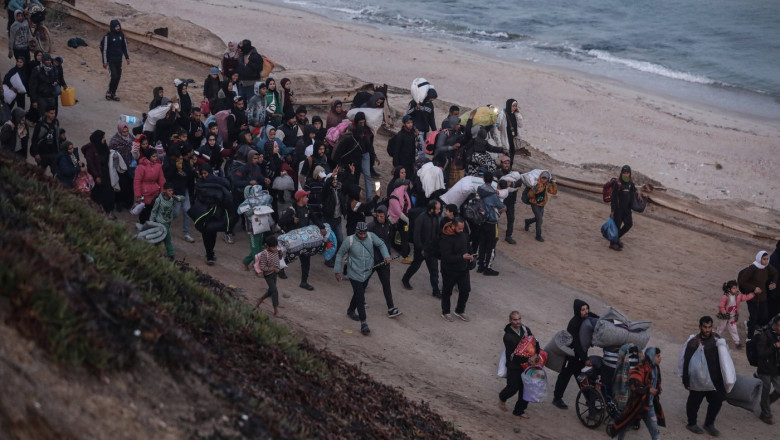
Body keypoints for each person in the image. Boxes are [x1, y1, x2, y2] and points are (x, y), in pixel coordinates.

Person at [334, 221, 392, 335]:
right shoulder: (349, 240)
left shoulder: (371, 236)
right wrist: (337, 271)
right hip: (354, 273)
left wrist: (386, 255)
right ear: (356, 232)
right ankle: (364, 323)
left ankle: (350, 310)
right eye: (360, 234)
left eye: (364, 233)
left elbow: (381, 244)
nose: (363, 236)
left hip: (367, 272)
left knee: (358, 293)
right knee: (360, 296)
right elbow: (340, 254)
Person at [608, 347, 665, 440]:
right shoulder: (641, 367)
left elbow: (657, 384)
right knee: (624, 427)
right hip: (636, 405)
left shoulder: (655, 369)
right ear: (651, 357)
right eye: (658, 356)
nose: (660, 358)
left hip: (648, 406)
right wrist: (648, 389)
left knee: (655, 433)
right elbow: (633, 383)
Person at [681, 316, 725, 436]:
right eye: (705, 327)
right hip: (699, 379)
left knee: (717, 401)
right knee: (694, 402)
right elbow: (687, 362)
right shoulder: (694, 343)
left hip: (715, 378)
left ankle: (709, 424)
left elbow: (724, 357)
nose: (707, 329)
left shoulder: (716, 338)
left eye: (709, 327)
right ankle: (691, 423)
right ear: (700, 327)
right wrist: (686, 381)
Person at [552, 299, 599, 409]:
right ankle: (557, 399)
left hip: (581, 356)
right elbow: (576, 343)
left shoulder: (587, 316)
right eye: (583, 310)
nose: (586, 311)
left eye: (587, 309)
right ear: (578, 311)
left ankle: (589, 401)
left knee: (582, 377)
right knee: (564, 377)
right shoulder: (573, 323)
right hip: (571, 356)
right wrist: (585, 358)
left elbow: (598, 319)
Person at [278, 189, 327, 291]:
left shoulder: (307, 208)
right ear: (300, 198)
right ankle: (280, 268)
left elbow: (315, 218)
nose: (307, 198)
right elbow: (281, 222)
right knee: (292, 256)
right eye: (306, 197)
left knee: (306, 260)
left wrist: (322, 227)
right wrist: (292, 220)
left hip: (305, 240)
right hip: (294, 241)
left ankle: (304, 282)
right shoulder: (292, 210)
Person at [498, 311, 541, 418]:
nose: (518, 322)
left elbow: (535, 342)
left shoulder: (525, 329)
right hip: (514, 366)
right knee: (513, 388)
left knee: (526, 388)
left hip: (527, 365)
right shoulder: (508, 336)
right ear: (510, 321)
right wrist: (529, 359)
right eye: (515, 320)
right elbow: (514, 355)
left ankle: (519, 411)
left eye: (519, 319)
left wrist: (536, 354)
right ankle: (502, 397)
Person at [367, 206, 403, 318]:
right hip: (372, 260)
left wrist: (388, 254)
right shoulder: (371, 227)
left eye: (381, 216)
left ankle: (391, 308)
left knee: (386, 284)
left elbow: (389, 241)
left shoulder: (389, 225)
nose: (379, 218)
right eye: (377, 216)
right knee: (363, 281)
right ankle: (358, 301)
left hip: (384, 261)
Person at [193, 164, 232, 265]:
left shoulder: (218, 182)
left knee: (213, 234)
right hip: (204, 213)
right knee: (206, 234)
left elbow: (225, 192)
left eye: (206, 173)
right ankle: (209, 254)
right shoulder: (200, 184)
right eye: (203, 174)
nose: (205, 176)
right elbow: (199, 196)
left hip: (215, 213)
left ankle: (210, 252)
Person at [402, 199, 441, 297]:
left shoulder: (436, 218)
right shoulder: (421, 218)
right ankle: (405, 279)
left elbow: (437, 232)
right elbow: (416, 235)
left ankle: (435, 291)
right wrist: (421, 248)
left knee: (434, 270)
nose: (439, 211)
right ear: (432, 209)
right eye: (437, 209)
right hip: (421, 249)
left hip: (432, 249)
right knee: (415, 265)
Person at [439, 217, 473, 322]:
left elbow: (469, 248)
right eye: (459, 228)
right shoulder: (445, 238)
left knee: (466, 289)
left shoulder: (464, 236)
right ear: (453, 226)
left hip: (463, 268)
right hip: (449, 270)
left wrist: (471, 256)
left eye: (462, 228)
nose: (461, 231)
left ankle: (459, 310)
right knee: (447, 291)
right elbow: (446, 257)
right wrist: (462, 257)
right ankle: (445, 312)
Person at [739, 250, 778, 339]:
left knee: (764, 316)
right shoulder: (752, 268)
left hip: (762, 296)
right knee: (754, 317)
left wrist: (773, 283)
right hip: (752, 297)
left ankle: (748, 324)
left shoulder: (767, 267)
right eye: (764, 259)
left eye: (767, 259)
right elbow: (742, 281)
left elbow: (775, 273)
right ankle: (750, 338)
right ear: (759, 259)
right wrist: (753, 288)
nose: (766, 261)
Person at [82, 130, 115, 218]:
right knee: (97, 194)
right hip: (97, 175)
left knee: (108, 193)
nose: (104, 139)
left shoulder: (103, 146)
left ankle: (108, 211)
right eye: (103, 137)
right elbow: (91, 164)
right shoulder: (91, 149)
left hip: (106, 174)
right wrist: (97, 176)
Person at [476, 172, 504, 276]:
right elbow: (500, 205)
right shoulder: (492, 194)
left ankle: (480, 266)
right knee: (491, 245)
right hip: (492, 222)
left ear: (483, 179)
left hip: (482, 220)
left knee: (482, 244)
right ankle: (488, 267)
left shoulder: (480, 189)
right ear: (492, 180)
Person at [755, 314, 780, 425]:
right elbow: (760, 354)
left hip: (776, 369)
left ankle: (765, 404)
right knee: (765, 391)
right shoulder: (764, 335)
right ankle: (766, 414)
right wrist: (774, 347)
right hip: (765, 369)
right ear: (775, 325)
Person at [609, 165, 639, 251]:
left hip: (627, 209)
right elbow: (613, 198)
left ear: (630, 174)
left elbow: (634, 191)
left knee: (629, 224)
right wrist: (612, 211)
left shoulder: (630, 183)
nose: (626, 175)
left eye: (627, 173)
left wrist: (639, 194)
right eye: (624, 173)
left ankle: (616, 238)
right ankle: (612, 244)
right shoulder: (617, 183)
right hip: (618, 209)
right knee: (616, 226)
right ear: (621, 173)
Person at [716, 280, 754, 348]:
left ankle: (737, 343)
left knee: (734, 329)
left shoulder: (738, 295)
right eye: (734, 288)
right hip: (724, 316)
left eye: (736, 288)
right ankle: (714, 339)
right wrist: (724, 313)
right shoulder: (725, 296)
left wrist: (753, 294)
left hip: (732, 316)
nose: (736, 289)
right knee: (721, 328)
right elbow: (721, 306)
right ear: (729, 289)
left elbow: (745, 297)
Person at [150, 182, 181, 260]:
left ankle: (153, 252)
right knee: (167, 237)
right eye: (169, 191)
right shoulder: (159, 200)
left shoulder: (172, 199)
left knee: (159, 238)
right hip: (161, 222)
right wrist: (151, 222)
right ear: (164, 190)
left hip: (168, 221)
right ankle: (171, 254)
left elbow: (182, 199)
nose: (171, 192)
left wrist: (178, 198)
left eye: (172, 191)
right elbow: (154, 211)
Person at [133, 149, 166, 224]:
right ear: (149, 157)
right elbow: (137, 181)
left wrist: (162, 193)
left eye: (156, 156)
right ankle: (142, 224)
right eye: (153, 156)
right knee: (144, 211)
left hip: (155, 192)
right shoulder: (141, 167)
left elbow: (161, 180)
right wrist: (138, 195)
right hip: (144, 193)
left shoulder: (158, 166)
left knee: (154, 211)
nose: (156, 158)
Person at [524, 170, 558, 243]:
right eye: (542, 178)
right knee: (539, 220)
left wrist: (553, 184)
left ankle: (528, 221)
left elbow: (553, 192)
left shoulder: (546, 185)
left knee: (538, 218)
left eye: (545, 178)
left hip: (542, 205)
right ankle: (538, 236)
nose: (543, 179)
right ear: (540, 177)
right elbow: (529, 195)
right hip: (535, 204)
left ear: (547, 179)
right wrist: (533, 190)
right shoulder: (536, 185)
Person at [100, 19, 130, 101]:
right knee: (114, 76)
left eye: (118, 26)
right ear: (113, 27)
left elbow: (124, 47)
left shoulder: (121, 35)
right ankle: (109, 91)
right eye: (116, 26)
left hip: (119, 60)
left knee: (118, 77)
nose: (118, 28)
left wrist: (127, 57)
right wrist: (105, 62)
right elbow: (104, 50)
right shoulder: (108, 37)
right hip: (111, 60)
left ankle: (113, 93)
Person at [494, 156, 521, 244]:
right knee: (496, 217)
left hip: (511, 201)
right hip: (500, 200)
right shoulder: (497, 173)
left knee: (511, 218)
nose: (507, 165)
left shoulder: (514, 174)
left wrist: (511, 184)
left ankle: (508, 236)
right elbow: (494, 184)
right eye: (505, 163)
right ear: (501, 164)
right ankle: (494, 234)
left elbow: (519, 182)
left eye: (508, 163)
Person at [254, 235, 283, 317]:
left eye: (276, 247)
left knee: (271, 291)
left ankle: (260, 300)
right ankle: (276, 311)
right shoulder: (264, 254)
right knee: (275, 291)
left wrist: (280, 255)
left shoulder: (276, 251)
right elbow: (263, 267)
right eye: (273, 247)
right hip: (268, 276)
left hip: (274, 274)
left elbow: (278, 259)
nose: (275, 249)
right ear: (268, 247)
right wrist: (273, 269)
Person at [30, 106, 59, 175]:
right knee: (40, 173)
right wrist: (36, 153)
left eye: (54, 113)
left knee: (56, 173)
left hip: (53, 153)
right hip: (42, 154)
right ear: (46, 113)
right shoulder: (40, 125)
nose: (53, 115)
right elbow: (34, 139)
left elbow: (56, 137)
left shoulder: (56, 122)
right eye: (51, 113)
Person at [495, 99, 523, 167]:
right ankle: (504, 169)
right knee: (506, 155)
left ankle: (509, 167)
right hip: (506, 138)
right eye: (513, 106)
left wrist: (518, 114)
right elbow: (498, 126)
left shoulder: (514, 114)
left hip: (513, 139)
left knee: (512, 154)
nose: (515, 108)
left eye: (516, 106)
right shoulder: (502, 114)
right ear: (509, 106)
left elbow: (520, 125)